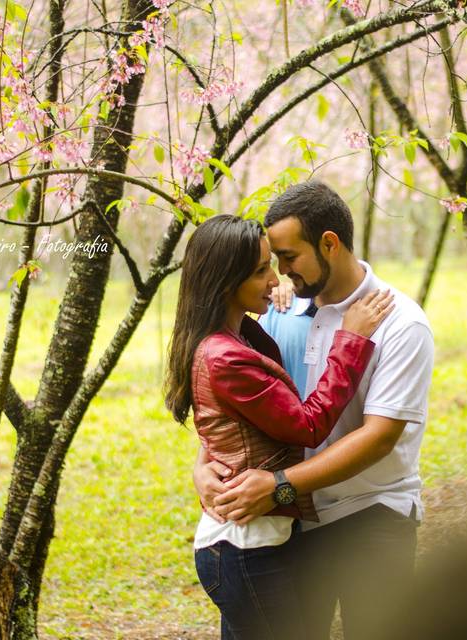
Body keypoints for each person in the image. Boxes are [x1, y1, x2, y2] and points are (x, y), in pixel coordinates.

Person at [195, 181, 436, 638]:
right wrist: (204, 464)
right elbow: (243, 403)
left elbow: (380, 436)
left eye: (288, 258)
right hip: (298, 523)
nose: (281, 273)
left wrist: (280, 486)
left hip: (371, 515)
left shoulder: (401, 323)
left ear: (329, 243)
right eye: (274, 261)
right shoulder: (278, 314)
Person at [164, 214, 394, 639]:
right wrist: (352, 340)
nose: (274, 278)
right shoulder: (226, 356)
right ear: (224, 282)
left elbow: (229, 423)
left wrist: (277, 290)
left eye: (274, 264)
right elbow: (307, 424)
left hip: (257, 540)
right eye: (260, 270)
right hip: (246, 547)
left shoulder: (238, 336)